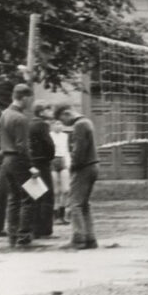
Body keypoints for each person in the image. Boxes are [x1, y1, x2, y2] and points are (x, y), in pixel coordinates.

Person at [0, 61, 30, 238]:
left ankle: (2, 228)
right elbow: (19, 90)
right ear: (1, 71)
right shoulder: (6, 86)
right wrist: (24, 74)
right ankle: (21, 229)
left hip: (1, 138)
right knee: (17, 192)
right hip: (9, 135)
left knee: (6, 190)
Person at [54, 103, 99, 250]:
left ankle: (78, 239)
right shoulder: (87, 121)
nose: (63, 124)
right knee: (84, 204)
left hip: (84, 167)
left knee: (74, 203)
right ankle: (90, 238)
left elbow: (79, 151)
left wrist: (72, 166)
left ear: (66, 113)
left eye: (62, 120)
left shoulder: (79, 125)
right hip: (93, 165)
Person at [0, 84, 38, 247]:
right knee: (29, 197)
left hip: (6, 160)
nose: (31, 102)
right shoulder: (20, 118)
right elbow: (22, 146)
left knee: (14, 198)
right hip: (18, 161)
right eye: (30, 99)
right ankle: (24, 235)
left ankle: (12, 235)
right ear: (24, 98)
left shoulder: (5, 114)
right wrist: (31, 166)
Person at [29, 101, 55, 237]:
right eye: (48, 109)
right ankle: (46, 229)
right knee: (47, 196)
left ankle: (35, 228)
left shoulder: (31, 124)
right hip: (42, 163)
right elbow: (49, 144)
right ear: (41, 112)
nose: (51, 112)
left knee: (35, 195)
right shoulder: (43, 125)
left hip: (32, 162)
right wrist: (50, 156)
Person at [50, 119, 71, 225]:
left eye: (60, 123)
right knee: (55, 191)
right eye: (56, 124)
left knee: (66, 190)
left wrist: (68, 163)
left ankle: (62, 215)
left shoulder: (65, 136)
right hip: (53, 161)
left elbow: (66, 150)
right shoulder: (49, 136)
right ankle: (55, 216)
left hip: (62, 160)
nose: (59, 126)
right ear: (52, 125)